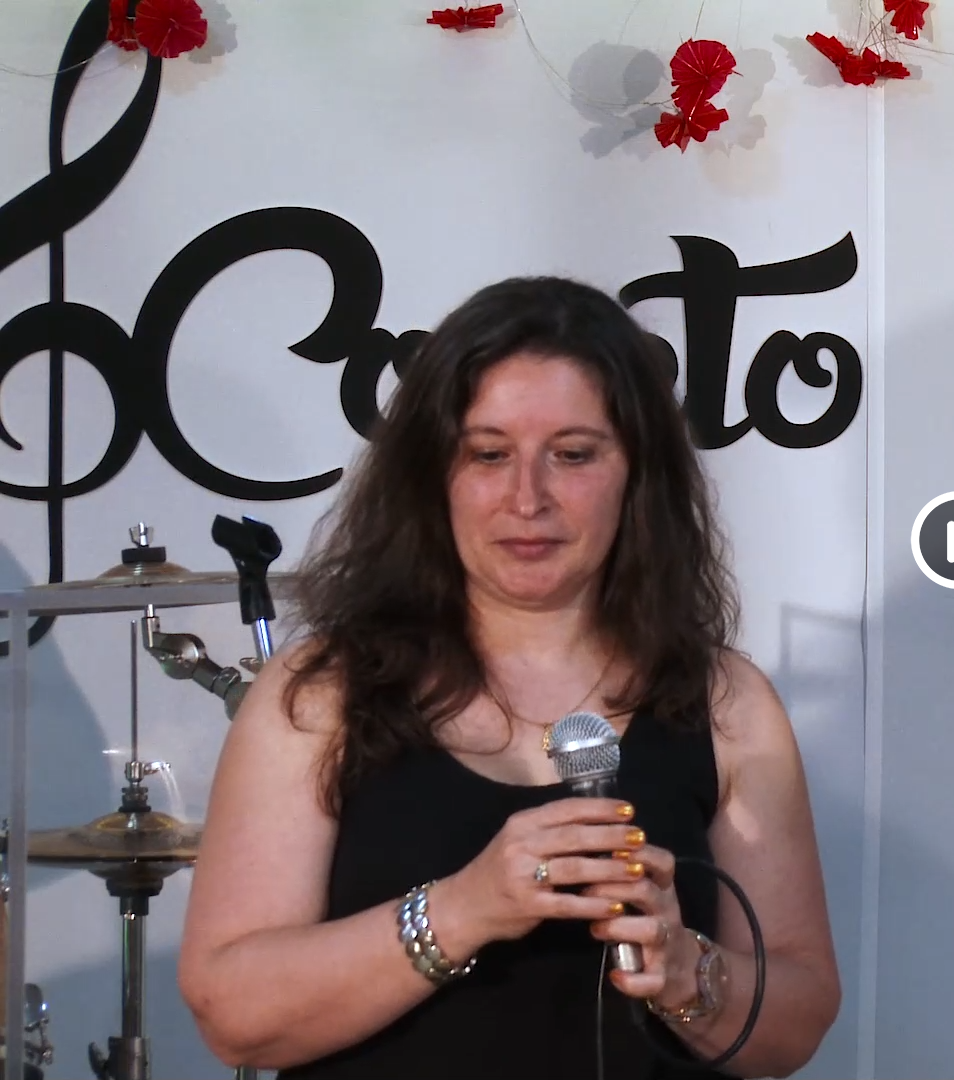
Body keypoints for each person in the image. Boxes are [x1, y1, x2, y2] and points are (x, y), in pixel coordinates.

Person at [176, 277, 840, 1078]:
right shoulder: (319, 695)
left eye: (573, 455)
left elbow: (796, 1023)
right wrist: (461, 911)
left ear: (638, 474)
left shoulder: (728, 703)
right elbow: (232, 1013)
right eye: (489, 455)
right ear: (433, 475)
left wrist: (687, 969)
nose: (528, 498)